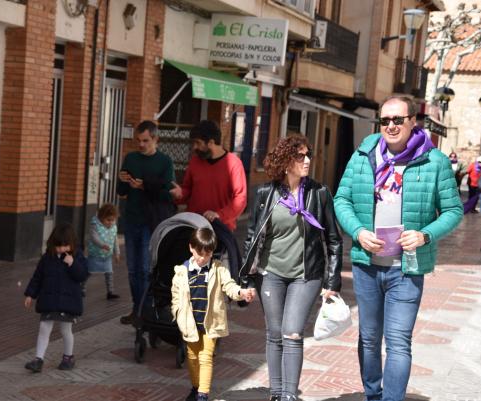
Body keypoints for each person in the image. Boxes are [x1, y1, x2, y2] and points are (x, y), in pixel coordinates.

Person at [334, 95, 463, 401]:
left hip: (407, 269)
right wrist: (358, 231)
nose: (390, 126)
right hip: (366, 266)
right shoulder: (363, 154)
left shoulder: (435, 162)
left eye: (398, 120)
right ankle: (372, 394)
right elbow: (342, 199)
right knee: (368, 339)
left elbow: (453, 211)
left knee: (398, 341)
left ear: (412, 121)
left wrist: (425, 235)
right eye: (385, 120)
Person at [241, 134, 343, 401]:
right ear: (286, 161)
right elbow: (253, 237)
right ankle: (276, 393)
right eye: (300, 156)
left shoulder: (319, 193)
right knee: (274, 334)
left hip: (305, 275)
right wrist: (247, 279)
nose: (307, 160)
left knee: (293, 332)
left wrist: (332, 282)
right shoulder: (266, 193)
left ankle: (289, 396)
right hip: (270, 273)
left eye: (308, 154)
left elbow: (334, 239)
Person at [171, 228, 255, 401]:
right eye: (199, 253)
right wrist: (178, 313)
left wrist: (241, 292)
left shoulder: (218, 269)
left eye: (207, 254)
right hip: (190, 323)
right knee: (192, 357)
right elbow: (175, 297)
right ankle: (196, 387)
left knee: (206, 356)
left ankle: (203, 394)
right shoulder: (181, 272)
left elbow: (229, 286)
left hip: (211, 323)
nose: (203, 258)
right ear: (191, 248)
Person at [117, 120, 176, 325]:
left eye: (145, 141)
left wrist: (144, 187)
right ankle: (137, 309)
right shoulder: (131, 158)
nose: (141, 145)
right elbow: (121, 192)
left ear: (155, 139)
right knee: (132, 269)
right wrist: (122, 181)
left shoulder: (165, 161)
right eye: (138, 141)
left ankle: (147, 310)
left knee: (144, 268)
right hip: (131, 219)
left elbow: (168, 193)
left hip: (151, 221)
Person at [23, 223, 89, 373]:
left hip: (68, 302)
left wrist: (72, 264)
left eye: (65, 246)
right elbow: (38, 277)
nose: (61, 249)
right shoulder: (47, 258)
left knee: (66, 330)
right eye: (58, 246)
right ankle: (38, 359)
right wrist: (30, 294)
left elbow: (82, 275)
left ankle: (68, 357)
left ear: (72, 244)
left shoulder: (77, 256)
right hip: (49, 300)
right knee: (44, 328)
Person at [170, 120, 247, 231]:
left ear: (210, 142)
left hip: (220, 228)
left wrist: (219, 215)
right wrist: (180, 194)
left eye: (198, 143)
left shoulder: (234, 163)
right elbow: (188, 189)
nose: (194, 147)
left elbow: (240, 199)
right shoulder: (195, 161)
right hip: (193, 225)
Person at [87, 203, 121, 300]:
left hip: (107, 256)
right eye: (108, 220)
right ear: (101, 217)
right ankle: (81, 287)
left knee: (109, 273)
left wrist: (117, 253)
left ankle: (110, 292)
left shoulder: (114, 228)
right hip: (95, 254)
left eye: (112, 220)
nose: (110, 222)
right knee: (89, 271)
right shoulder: (95, 225)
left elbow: (115, 240)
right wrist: (102, 245)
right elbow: (94, 237)